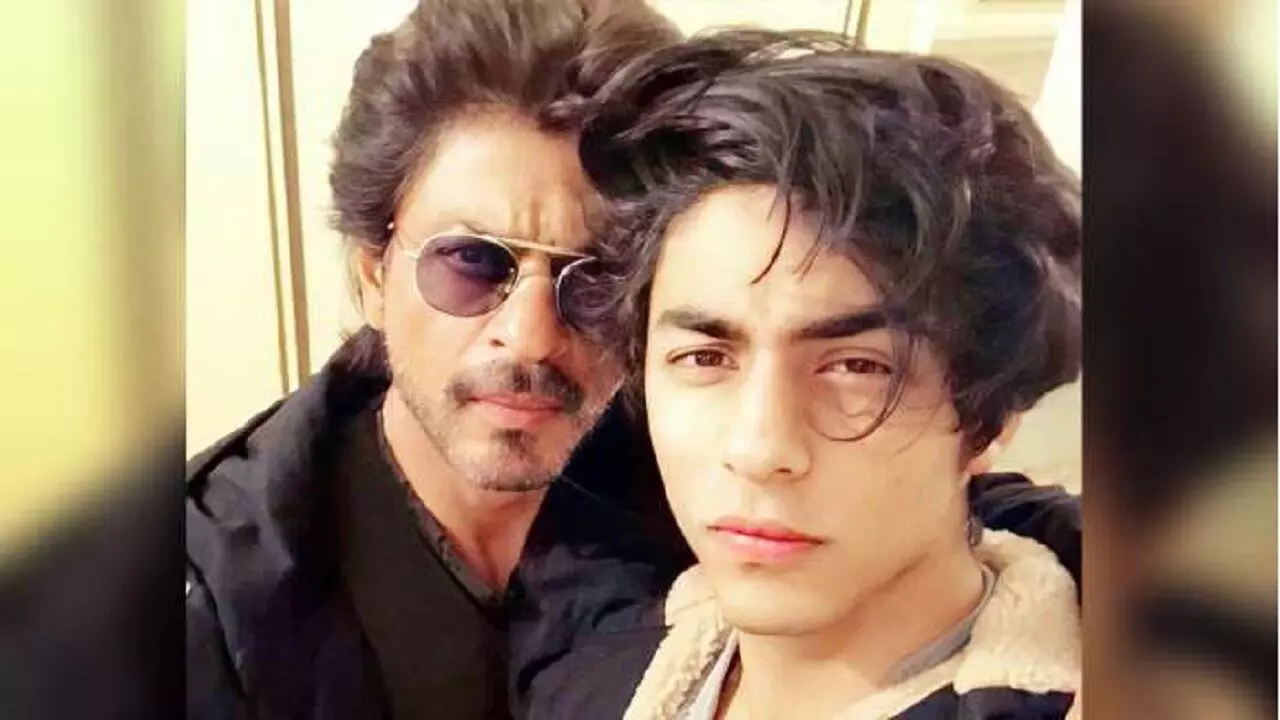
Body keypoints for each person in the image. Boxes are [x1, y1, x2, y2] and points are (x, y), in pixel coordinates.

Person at [185, 6, 1082, 720]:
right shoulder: (211, 599)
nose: (530, 336)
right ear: (373, 276)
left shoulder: (663, 440)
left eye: (594, 280)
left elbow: (965, 502)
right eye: (471, 264)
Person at [534, 30, 1082, 718]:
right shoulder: (597, 668)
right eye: (706, 358)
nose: (759, 448)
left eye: (856, 368)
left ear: (993, 416)